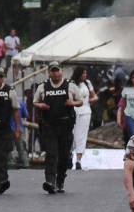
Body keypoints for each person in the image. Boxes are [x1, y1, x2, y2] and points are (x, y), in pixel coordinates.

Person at [34, 62, 81, 194]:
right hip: (49, 126)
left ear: (61, 71)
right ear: (49, 73)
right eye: (52, 71)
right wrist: (41, 106)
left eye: (57, 70)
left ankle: (60, 180)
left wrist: (72, 103)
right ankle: (50, 181)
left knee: (64, 156)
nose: (55, 73)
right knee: (51, 153)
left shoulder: (70, 86)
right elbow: (35, 102)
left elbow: (80, 101)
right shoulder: (43, 87)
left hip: (65, 126)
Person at [70, 66, 97, 170]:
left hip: (85, 110)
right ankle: (70, 156)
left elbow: (95, 96)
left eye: (85, 73)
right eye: (83, 73)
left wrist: (89, 101)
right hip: (73, 111)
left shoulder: (87, 83)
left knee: (82, 135)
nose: (85, 75)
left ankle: (78, 160)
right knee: (72, 134)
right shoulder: (71, 84)